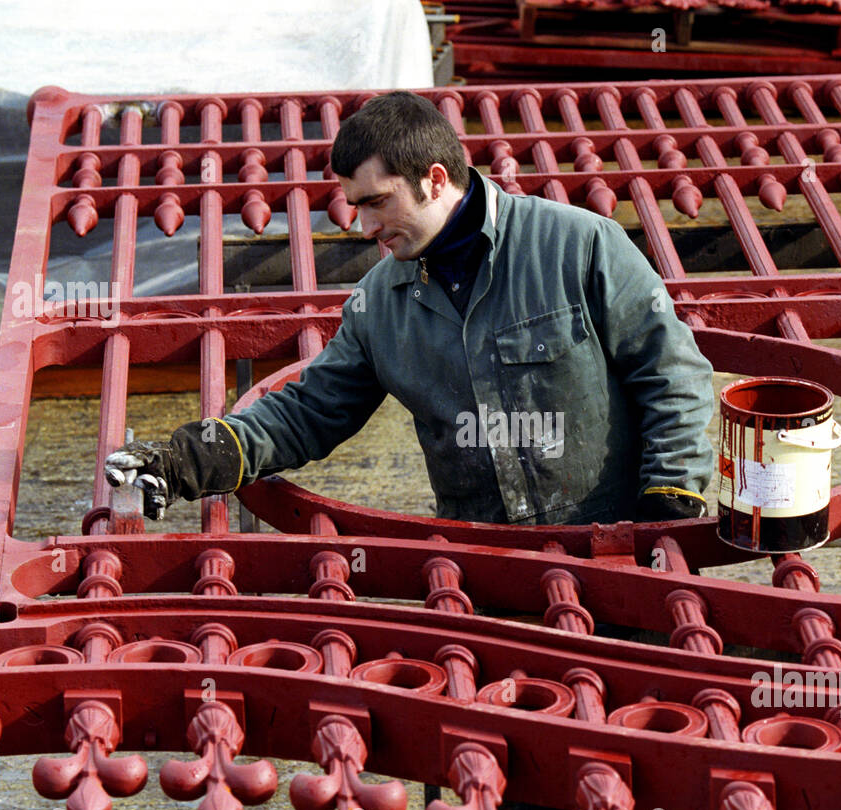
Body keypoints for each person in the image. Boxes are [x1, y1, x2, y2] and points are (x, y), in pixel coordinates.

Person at [103, 90, 715, 528]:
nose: (365, 226)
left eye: (376, 202)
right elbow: (308, 412)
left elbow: (672, 373)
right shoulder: (379, 304)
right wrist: (186, 461)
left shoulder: (579, 245)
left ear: (437, 178)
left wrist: (666, 503)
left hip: (613, 542)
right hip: (483, 566)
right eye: (354, 205)